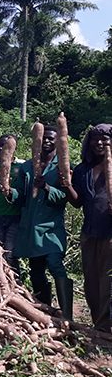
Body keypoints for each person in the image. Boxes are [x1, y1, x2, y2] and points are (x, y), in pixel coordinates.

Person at [11, 126, 76, 321]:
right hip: (31, 227)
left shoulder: (62, 166)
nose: (47, 142)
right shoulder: (27, 166)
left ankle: (67, 315)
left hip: (51, 228)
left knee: (56, 264)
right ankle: (45, 311)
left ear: (58, 142)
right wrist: (8, 191)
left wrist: (47, 187)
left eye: (51, 139)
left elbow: (66, 198)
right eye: (44, 139)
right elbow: (20, 196)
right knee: (36, 270)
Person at [69, 124, 112, 331]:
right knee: (91, 281)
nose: (100, 143)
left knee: (107, 282)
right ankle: (98, 323)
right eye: (95, 139)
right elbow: (77, 203)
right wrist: (67, 185)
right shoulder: (82, 170)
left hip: (109, 234)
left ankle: (105, 326)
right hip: (89, 232)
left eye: (105, 139)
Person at [0, 134, 24, 274]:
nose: (2, 148)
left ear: (14, 148)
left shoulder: (22, 166)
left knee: (10, 252)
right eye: (0, 145)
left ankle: (14, 283)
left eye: (7, 145)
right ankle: (0, 280)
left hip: (15, 216)